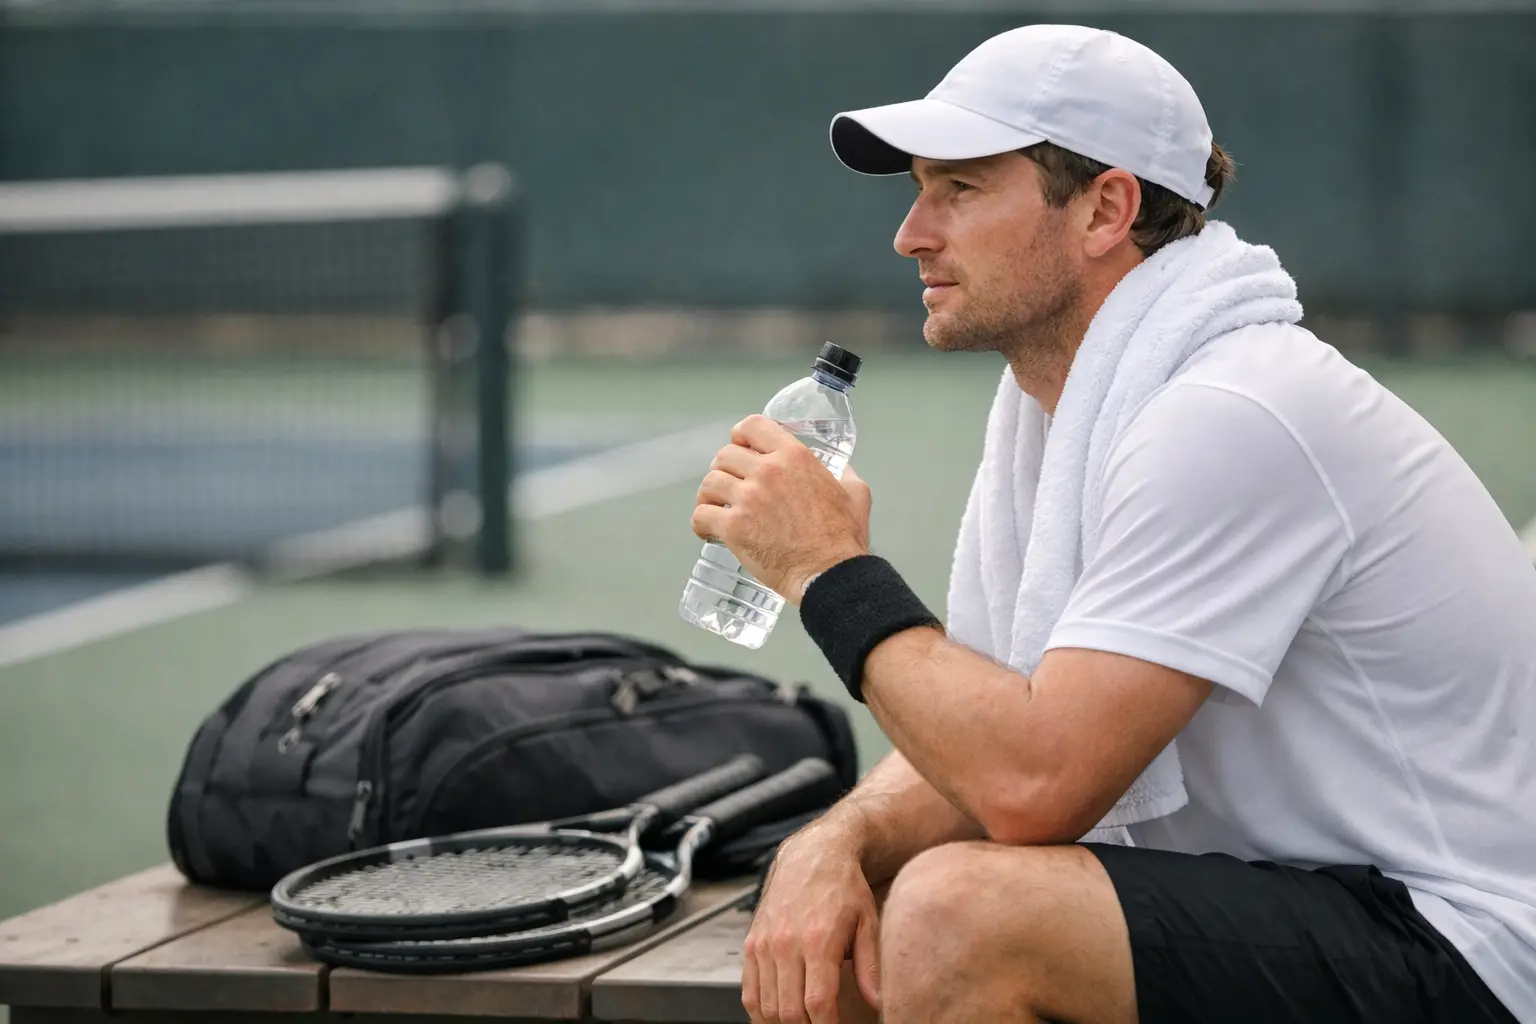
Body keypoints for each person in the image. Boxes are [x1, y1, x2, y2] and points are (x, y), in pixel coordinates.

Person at [687, 23, 1534, 1024]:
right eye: (918, 190)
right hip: (1325, 901)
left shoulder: (1231, 413)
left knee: (960, 914)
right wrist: (839, 839)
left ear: (1106, 209)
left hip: (1467, 942)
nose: (911, 234)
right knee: (853, 922)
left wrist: (828, 570)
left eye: (959, 189)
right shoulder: (1076, 410)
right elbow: (990, 726)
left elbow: (1032, 781)